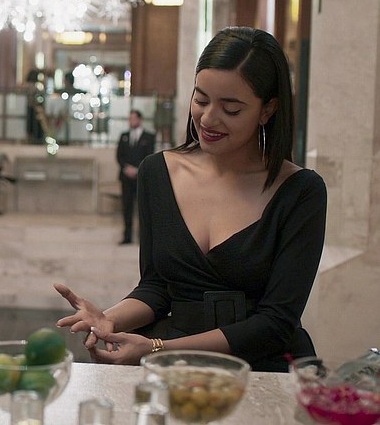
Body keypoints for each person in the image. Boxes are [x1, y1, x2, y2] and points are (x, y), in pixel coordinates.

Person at [55, 26, 327, 372]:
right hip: (173, 367)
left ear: (267, 110)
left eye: (231, 109)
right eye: (201, 100)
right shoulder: (158, 172)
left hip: (261, 367)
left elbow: (276, 322)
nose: (208, 119)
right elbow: (156, 288)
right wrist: (110, 318)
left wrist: (159, 349)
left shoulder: (301, 191)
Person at [116, 109, 156, 244]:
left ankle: (143, 237)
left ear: (140, 119)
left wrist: (137, 169)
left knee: (142, 208)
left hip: (141, 178)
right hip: (126, 178)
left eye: (133, 118)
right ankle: (127, 236)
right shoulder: (124, 136)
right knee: (126, 207)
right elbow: (119, 156)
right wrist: (126, 168)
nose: (131, 121)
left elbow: (149, 156)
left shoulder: (149, 137)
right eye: (129, 119)